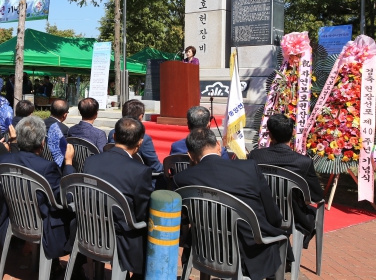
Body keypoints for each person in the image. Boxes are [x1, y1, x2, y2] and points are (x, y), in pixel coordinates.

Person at [173, 128, 285, 280]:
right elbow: (271, 212)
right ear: (218, 146)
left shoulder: (182, 179)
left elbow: (183, 217)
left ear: (190, 155)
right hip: (250, 250)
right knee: (279, 240)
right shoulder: (249, 167)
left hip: (205, 248)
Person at [0, 116, 75, 261]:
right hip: (42, 224)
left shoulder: (2, 160)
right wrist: (68, 163)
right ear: (42, 142)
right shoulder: (46, 167)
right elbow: (66, 197)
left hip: (14, 217)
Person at [82, 117, 153, 278]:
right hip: (122, 238)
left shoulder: (91, 161)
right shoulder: (140, 171)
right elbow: (142, 213)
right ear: (140, 143)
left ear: (114, 137)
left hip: (88, 229)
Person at [248, 114, 323, 248]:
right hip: (293, 216)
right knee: (312, 212)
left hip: (262, 211)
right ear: (293, 133)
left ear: (270, 134)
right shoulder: (303, 162)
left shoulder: (255, 156)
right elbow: (317, 196)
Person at [107, 99, 163, 179]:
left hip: (113, 174)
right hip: (136, 178)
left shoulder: (112, 133)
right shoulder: (144, 139)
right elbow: (155, 167)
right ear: (140, 117)